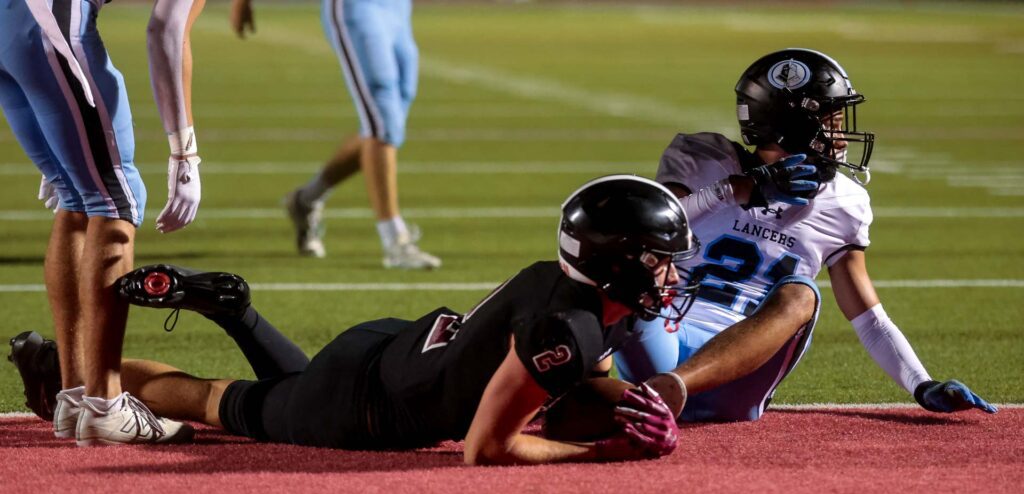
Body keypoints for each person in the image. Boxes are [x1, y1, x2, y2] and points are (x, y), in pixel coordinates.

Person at [12, 176, 699, 464]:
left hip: (386, 350)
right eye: (661, 260)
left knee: (284, 390)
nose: (671, 275)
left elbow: (593, 372)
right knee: (213, 401)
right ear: (619, 260)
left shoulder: (577, 293)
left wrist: (640, 410)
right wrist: (602, 454)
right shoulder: (567, 330)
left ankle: (238, 314)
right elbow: (485, 449)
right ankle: (63, 376)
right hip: (366, 408)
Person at [548, 49, 995, 436]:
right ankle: (554, 378)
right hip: (662, 336)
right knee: (610, 265)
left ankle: (656, 391)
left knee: (802, 293)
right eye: (830, 119)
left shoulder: (845, 201)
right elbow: (641, 227)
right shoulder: (706, 159)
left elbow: (869, 317)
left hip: (739, 374)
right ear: (789, 126)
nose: (840, 135)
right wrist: (737, 189)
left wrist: (921, 382)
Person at [1, 0, 205, 446]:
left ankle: (73, 399)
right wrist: (184, 150)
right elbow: (166, 32)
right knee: (116, 200)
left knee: (78, 197)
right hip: (45, 25)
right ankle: (105, 405)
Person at [230, 0, 441, 269]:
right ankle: (395, 240)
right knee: (382, 117)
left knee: (387, 124)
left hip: (397, 8)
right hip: (356, 7)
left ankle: (305, 199)